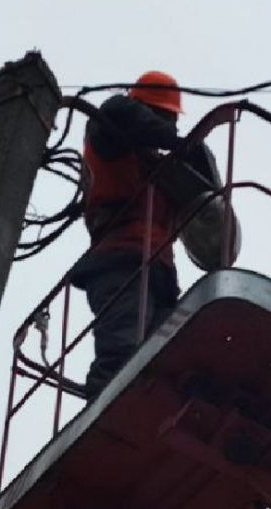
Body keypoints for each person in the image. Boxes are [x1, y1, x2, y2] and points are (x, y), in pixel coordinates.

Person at [69, 71, 189, 400]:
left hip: (160, 276)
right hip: (120, 264)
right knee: (121, 353)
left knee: (167, 362)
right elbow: (117, 110)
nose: (170, 127)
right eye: (164, 116)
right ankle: (102, 410)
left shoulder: (159, 170)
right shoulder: (111, 137)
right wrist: (178, 144)